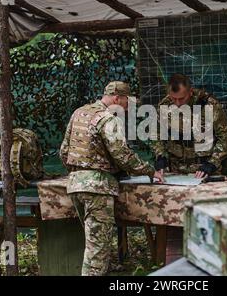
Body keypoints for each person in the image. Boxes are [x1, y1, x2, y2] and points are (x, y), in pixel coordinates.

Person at [60, 81, 164, 276]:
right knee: (97, 253)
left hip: (75, 185)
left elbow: (64, 151)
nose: (127, 107)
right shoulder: (108, 119)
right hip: (97, 189)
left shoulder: (79, 113)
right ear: (117, 98)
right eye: (126, 102)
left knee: (94, 245)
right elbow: (123, 155)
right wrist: (150, 171)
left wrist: (80, 172)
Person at [152, 74, 227, 178]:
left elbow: (226, 138)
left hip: (204, 171)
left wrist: (212, 163)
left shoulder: (209, 106)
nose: (177, 103)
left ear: (190, 92)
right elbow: (156, 135)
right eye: (173, 98)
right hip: (175, 171)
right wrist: (160, 156)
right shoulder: (164, 106)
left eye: (181, 99)